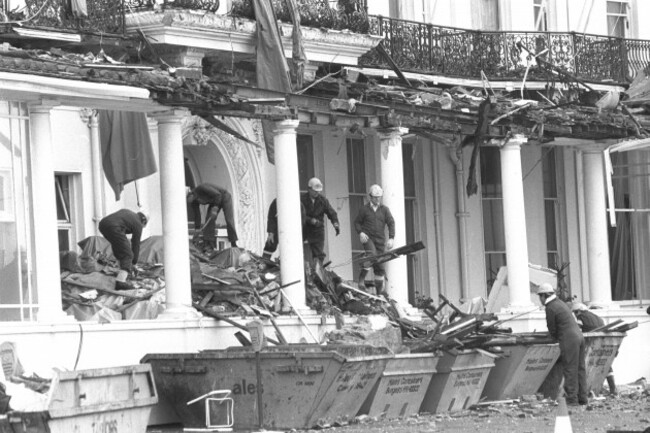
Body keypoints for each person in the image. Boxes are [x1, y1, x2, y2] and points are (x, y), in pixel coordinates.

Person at [538, 283, 588, 406]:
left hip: (569, 339)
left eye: (540, 296)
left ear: (544, 295)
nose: (540, 299)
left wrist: (553, 338)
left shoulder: (550, 307)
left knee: (570, 369)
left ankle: (572, 399)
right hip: (579, 337)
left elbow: (552, 329)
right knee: (580, 369)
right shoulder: (560, 303)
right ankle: (583, 398)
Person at [354, 184, 395, 297]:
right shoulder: (364, 209)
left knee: (379, 266)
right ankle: (361, 280)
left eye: (379, 197)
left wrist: (391, 238)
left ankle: (379, 293)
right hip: (368, 238)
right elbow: (357, 222)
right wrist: (360, 232)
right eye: (375, 197)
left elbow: (391, 223)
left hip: (380, 240)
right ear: (370, 197)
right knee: (372, 255)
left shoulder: (385, 210)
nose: (377, 199)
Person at [571, 302, 617, 395]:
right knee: (606, 365)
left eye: (575, 312)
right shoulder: (597, 317)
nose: (575, 315)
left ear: (579, 311)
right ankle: (613, 389)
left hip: (591, 345)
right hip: (605, 344)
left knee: (583, 365)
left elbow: (578, 331)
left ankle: (583, 390)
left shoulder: (581, 317)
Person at [300, 177, 340, 263]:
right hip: (304, 229)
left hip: (318, 231)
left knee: (319, 255)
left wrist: (336, 224)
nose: (317, 193)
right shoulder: (301, 200)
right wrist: (309, 220)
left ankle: (318, 272)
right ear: (309, 189)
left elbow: (331, 213)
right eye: (315, 191)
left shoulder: (323, 200)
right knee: (298, 252)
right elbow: (298, 214)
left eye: (318, 191)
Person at [98, 208, 149, 275]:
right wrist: (134, 262)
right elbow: (136, 243)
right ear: (144, 221)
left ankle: (117, 269)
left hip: (102, 224)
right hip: (114, 227)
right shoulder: (138, 223)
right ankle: (121, 281)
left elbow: (120, 240)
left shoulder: (128, 213)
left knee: (118, 246)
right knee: (128, 255)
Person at [188, 183, 238, 249]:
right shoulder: (193, 202)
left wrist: (215, 208)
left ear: (191, 194)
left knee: (229, 219)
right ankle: (210, 243)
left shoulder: (202, 188)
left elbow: (218, 195)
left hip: (224, 196)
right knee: (209, 219)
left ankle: (233, 242)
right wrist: (197, 229)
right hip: (214, 201)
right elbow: (197, 214)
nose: (188, 202)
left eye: (187, 198)